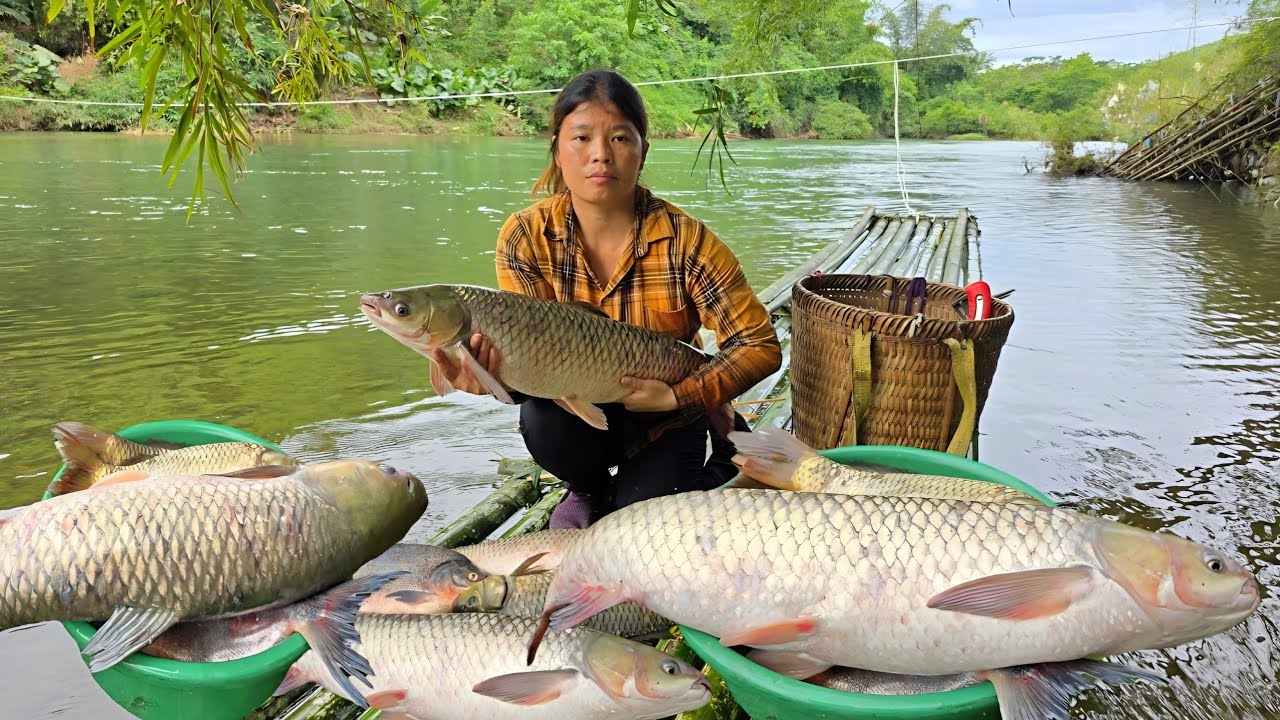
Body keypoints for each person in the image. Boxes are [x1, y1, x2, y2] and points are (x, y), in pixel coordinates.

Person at [430, 68, 782, 528]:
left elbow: (759, 346)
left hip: (667, 415)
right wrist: (486, 377)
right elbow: (524, 368)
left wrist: (680, 396)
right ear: (557, 149)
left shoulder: (688, 241)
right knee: (541, 422)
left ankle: (716, 454)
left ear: (642, 151)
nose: (600, 155)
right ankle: (590, 488)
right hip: (575, 414)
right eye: (581, 138)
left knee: (647, 518)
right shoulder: (525, 236)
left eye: (619, 138)